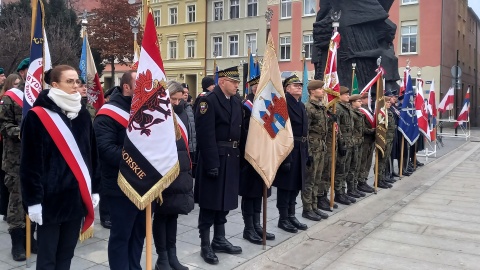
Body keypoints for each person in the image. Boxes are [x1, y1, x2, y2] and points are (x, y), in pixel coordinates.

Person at [20, 65, 100, 269]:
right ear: (55, 85)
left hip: (76, 197)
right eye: (70, 81)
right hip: (50, 200)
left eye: (77, 81)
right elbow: (30, 164)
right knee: (47, 259)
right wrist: (33, 201)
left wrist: (95, 188)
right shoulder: (37, 116)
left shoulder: (82, 113)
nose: (76, 86)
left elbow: (92, 154)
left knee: (66, 255)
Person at [93, 71, 146, 270]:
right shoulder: (108, 113)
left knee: (139, 232)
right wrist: (140, 162)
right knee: (121, 234)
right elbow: (106, 150)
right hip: (120, 184)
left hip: (143, 184)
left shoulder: (143, 109)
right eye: (138, 85)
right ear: (126, 87)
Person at [194, 66, 243, 265]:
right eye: (234, 82)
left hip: (232, 157)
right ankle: (205, 244)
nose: (237, 86)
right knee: (210, 204)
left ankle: (219, 239)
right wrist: (212, 163)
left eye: (238, 83)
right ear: (222, 82)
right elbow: (205, 135)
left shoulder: (236, 102)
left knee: (224, 203)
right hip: (214, 158)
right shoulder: (208, 101)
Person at [153, 81, 194, 270]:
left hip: (180, 172)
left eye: (179, 99)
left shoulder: (182, 114)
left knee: (173, 216)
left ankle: (172, 255)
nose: (177, 103)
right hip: (164, 174)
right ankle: (162, 258)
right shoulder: (157, 116)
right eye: (173, 99)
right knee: (162, 216)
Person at [239, 75, 275, 245]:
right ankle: (248, 228)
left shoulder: (268, 105)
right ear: (253, 89)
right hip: (250, 156)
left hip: (264, 155)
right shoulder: (246, 107)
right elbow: (243, 132)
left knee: (261, 193)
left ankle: (257, 224)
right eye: (258, 87)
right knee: (250, 193)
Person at [273, 75, 308, 233]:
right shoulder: (283, 104)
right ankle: (283, 217)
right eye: (295, 85)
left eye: (300, 85)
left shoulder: (300, 104)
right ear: (287, 88)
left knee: (296, 186)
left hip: (300, 149)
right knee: (286, 186)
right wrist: (285, 157)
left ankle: (292, 215)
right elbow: (279, 131)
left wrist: (308, 154)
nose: (299, 87)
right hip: (288, 149)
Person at [0, 72, 29, 261]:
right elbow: (4, 125)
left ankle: (31, 238)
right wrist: (23, 131)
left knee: (33, 198)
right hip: (15, 159)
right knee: (17, 201)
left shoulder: (35, 97)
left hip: (34, 158)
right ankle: (18, 243)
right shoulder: (9, 99)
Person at [302, 79, 330, 221]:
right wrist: (307, 152)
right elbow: (305, 131)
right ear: (312, 91)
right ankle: (307, 209)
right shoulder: (308, 107)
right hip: (312, 146)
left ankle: (314, 206)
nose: (323, 91)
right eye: (320, 89)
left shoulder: (321, 107)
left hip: (321, 145)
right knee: (310, 179)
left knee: (317, 178)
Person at [334, 86, 356, 205]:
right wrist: (341, 143)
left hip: (349, 142)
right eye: (346, 94)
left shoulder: (346, 107)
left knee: (346, 169)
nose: (348, 96)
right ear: (339, 95)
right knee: (340, 170)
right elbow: (337, 128)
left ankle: (343, 192)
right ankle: (338, 193)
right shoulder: (337, 108)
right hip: (343, 143)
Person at [347, 94, 366, 198]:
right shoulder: (352, 113)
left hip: (359, 141)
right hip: (353, 142)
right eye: (358, 101)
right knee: (352, 167)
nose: (361, 102)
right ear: (353, 102)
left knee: (356, 166)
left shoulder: (359, 112)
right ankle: (350, 189)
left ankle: (354, 188)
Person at [357, 93, 376, 193]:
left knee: (368, 162)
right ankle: (360, 181)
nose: (371, 100)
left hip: (370, 140)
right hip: (364, 140)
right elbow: (361, 127)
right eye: (368, 98)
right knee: (363, 161)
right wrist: (372, 130)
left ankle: (364, 180)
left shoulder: (368, 110)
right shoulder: (361, 111)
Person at [377, 96, 396, 188]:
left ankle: (382, 178)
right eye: (387, 102)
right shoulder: (382, 113)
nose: (389, 103)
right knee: (381, 160)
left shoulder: (389, 112)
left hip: (390, 139)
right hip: (384, 140)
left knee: (385, 160)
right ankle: (378, 180)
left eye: (389, 102)